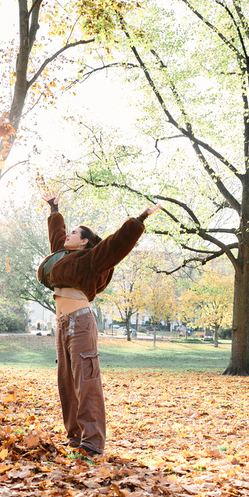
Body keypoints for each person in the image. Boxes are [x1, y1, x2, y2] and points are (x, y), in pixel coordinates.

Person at [37, 192, 161, 457]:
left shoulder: (91, 260)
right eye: (67, 232)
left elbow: (116, 244)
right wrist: (53, 207)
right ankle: (75, 439)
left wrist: (139, 219)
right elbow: (56, 239)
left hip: (80, 324)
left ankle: (92, 443)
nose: (66, 235)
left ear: (84, 242)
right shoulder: (64, 258)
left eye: (73, 233)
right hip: (62, 325)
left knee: (86, 381)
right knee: (67, 383)